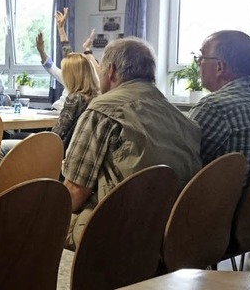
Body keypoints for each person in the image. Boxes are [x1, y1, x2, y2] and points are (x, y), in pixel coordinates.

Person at [63, 38, 201, 250]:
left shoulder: (102, 109)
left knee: (35, 220)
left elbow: (74, 191)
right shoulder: (180, 117)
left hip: (122, 232)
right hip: (177, 231)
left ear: (111, 71)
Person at [0, 49, 99, 160]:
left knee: (1, 147)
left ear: (71, 76)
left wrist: (37, 139)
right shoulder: (94, 97)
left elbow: (57, 134)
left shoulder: (74, 99)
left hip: (54, 152)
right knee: (20, 137)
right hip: (69, 152)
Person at [189, 30, 250, 186]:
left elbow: (180, 166)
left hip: (215, 208)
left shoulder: (214, 109)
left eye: (201, 57)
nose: (199, 64)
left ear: (219, 67)